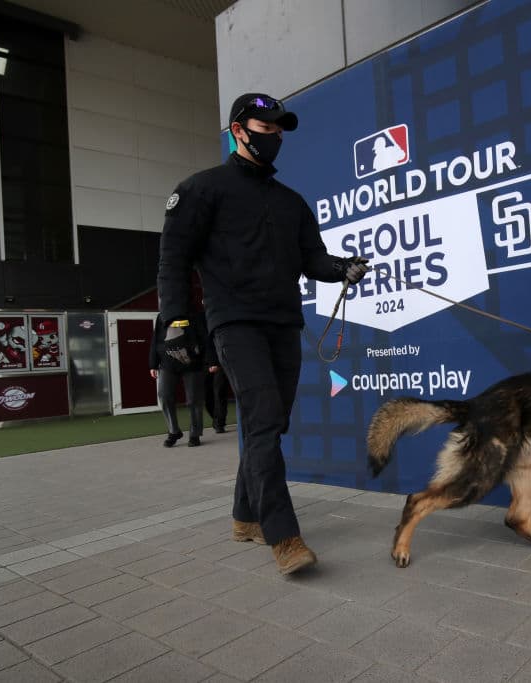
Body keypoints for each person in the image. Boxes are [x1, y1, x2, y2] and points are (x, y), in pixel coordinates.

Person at [156, 93, 369, 575]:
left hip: (284, 323)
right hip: (234, 322)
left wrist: (342, 268)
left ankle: (245, 517)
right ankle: (283, 535)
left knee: (266, 424)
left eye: (278, 131)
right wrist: (176, 321)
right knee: (265, 418)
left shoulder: (291, 202)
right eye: (265, 128)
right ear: (238, 130)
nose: (274, 138)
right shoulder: (200, 189)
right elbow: (173, 259)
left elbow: (313, 259)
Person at [149, 312, 207, 447]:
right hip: (167, 363)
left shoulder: (195, 314)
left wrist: (210, 360)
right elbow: (156, 339)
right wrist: (153, 363)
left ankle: (195, 434)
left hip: (193, 363)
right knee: (164, 395)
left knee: (194, 399)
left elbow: (205, 337)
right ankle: (174, 431)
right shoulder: (162, 315)